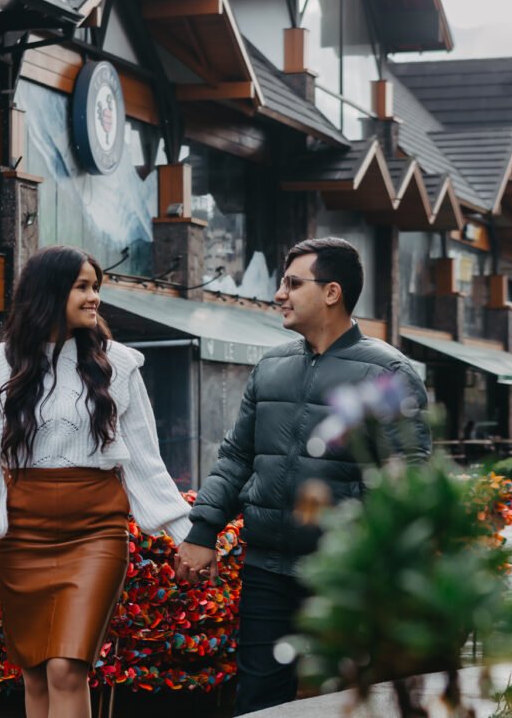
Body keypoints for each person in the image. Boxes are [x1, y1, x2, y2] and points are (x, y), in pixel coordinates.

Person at [174, 237, 431, 715]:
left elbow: (407, 481)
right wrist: (202, 530)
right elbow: (237, 456)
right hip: (268, 569)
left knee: (352, 701)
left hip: (345, 574)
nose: (279, 294)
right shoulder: (272, 366)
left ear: (332, 292)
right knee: (258, 702)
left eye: (293, 283)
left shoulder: (388, 372)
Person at [0, 245, 193, 718]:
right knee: (35, 671)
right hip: (23, 537)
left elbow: (144, 461)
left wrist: (186, 536)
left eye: (95, 286)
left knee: (66, 668)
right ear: (49, 292)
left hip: (96, 532)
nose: (94, 296)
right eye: (83, 286)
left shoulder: (119, 365)